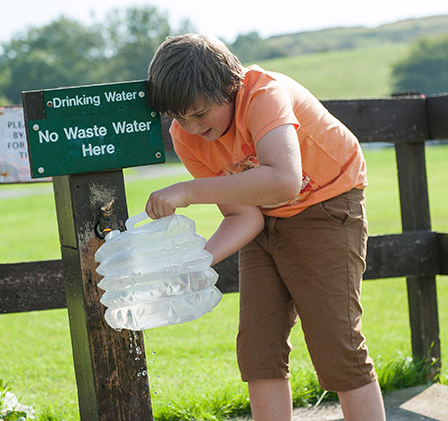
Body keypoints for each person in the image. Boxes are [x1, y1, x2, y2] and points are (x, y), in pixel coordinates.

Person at [145, 34, 385, 421]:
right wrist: (194, 261)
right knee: (258, 348)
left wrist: (188, 191)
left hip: (326, 205)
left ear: (229, 86)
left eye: (201, 113)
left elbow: (284, 181)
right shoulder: (186, 137)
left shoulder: (263, 94)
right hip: (266, 217)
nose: (191, 126)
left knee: (336, 343)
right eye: (179, 117)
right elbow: (246, 217)